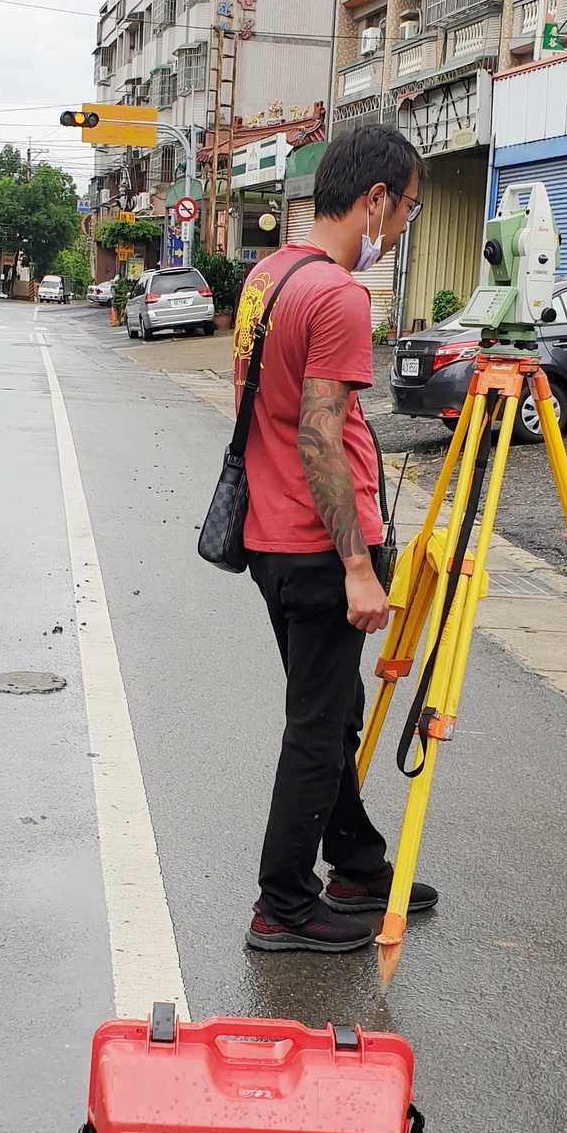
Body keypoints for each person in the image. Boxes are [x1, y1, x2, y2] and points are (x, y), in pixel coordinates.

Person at [236, 125, 437, 953]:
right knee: (318, 725)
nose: (403, 228)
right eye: (409, 209)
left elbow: (264, 408)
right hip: (321, 548)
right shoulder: (342, 296)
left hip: (269, 537)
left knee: (337, 709)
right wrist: (358, 565)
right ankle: (282, 901)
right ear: (376, 199)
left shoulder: (267, 274)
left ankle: (354, 860)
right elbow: (320, 434)